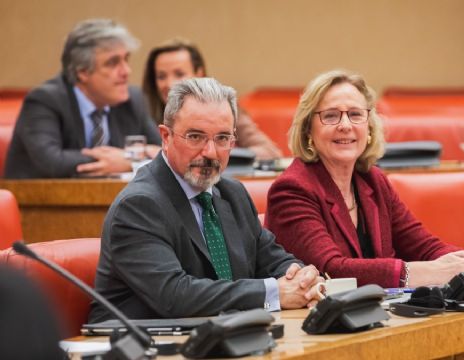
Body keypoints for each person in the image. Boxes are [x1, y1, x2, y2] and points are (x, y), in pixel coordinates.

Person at [89, 77, 321, 322]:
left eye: (222, 138)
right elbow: (175, 296)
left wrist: (302, 278)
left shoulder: (232, 194)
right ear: (165, 137)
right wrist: (273, 292)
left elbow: (272, 259)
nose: (210, 153)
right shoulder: (138, 206)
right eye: (195, 137)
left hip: (221, 336)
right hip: (139, 345)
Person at [265, 70, 464, 289]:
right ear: (308, 131)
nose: (345, 125)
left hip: (376, 315)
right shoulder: (292, 189)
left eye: (355, 114)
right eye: (330, 116)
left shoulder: (373, 180)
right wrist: (415, 273)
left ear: (369, 127)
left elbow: (423, 246)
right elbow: (331, 270)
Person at [4, 18, 161, 179]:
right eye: (113, 63)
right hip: (37, 200)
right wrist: (130, 159)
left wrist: (129, 160)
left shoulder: (132, 100)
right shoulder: (44, 100)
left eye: (126, 59)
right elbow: (52, 161)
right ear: (83, 72)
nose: (126, 71)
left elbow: (165, 153)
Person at [142, 38, 282, 160]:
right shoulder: (141, 111)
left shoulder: (222, 108)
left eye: (179, 74)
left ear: (199, 74)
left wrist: (219, 150)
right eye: (161, 77)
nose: (170, 84)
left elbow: (270, 152)